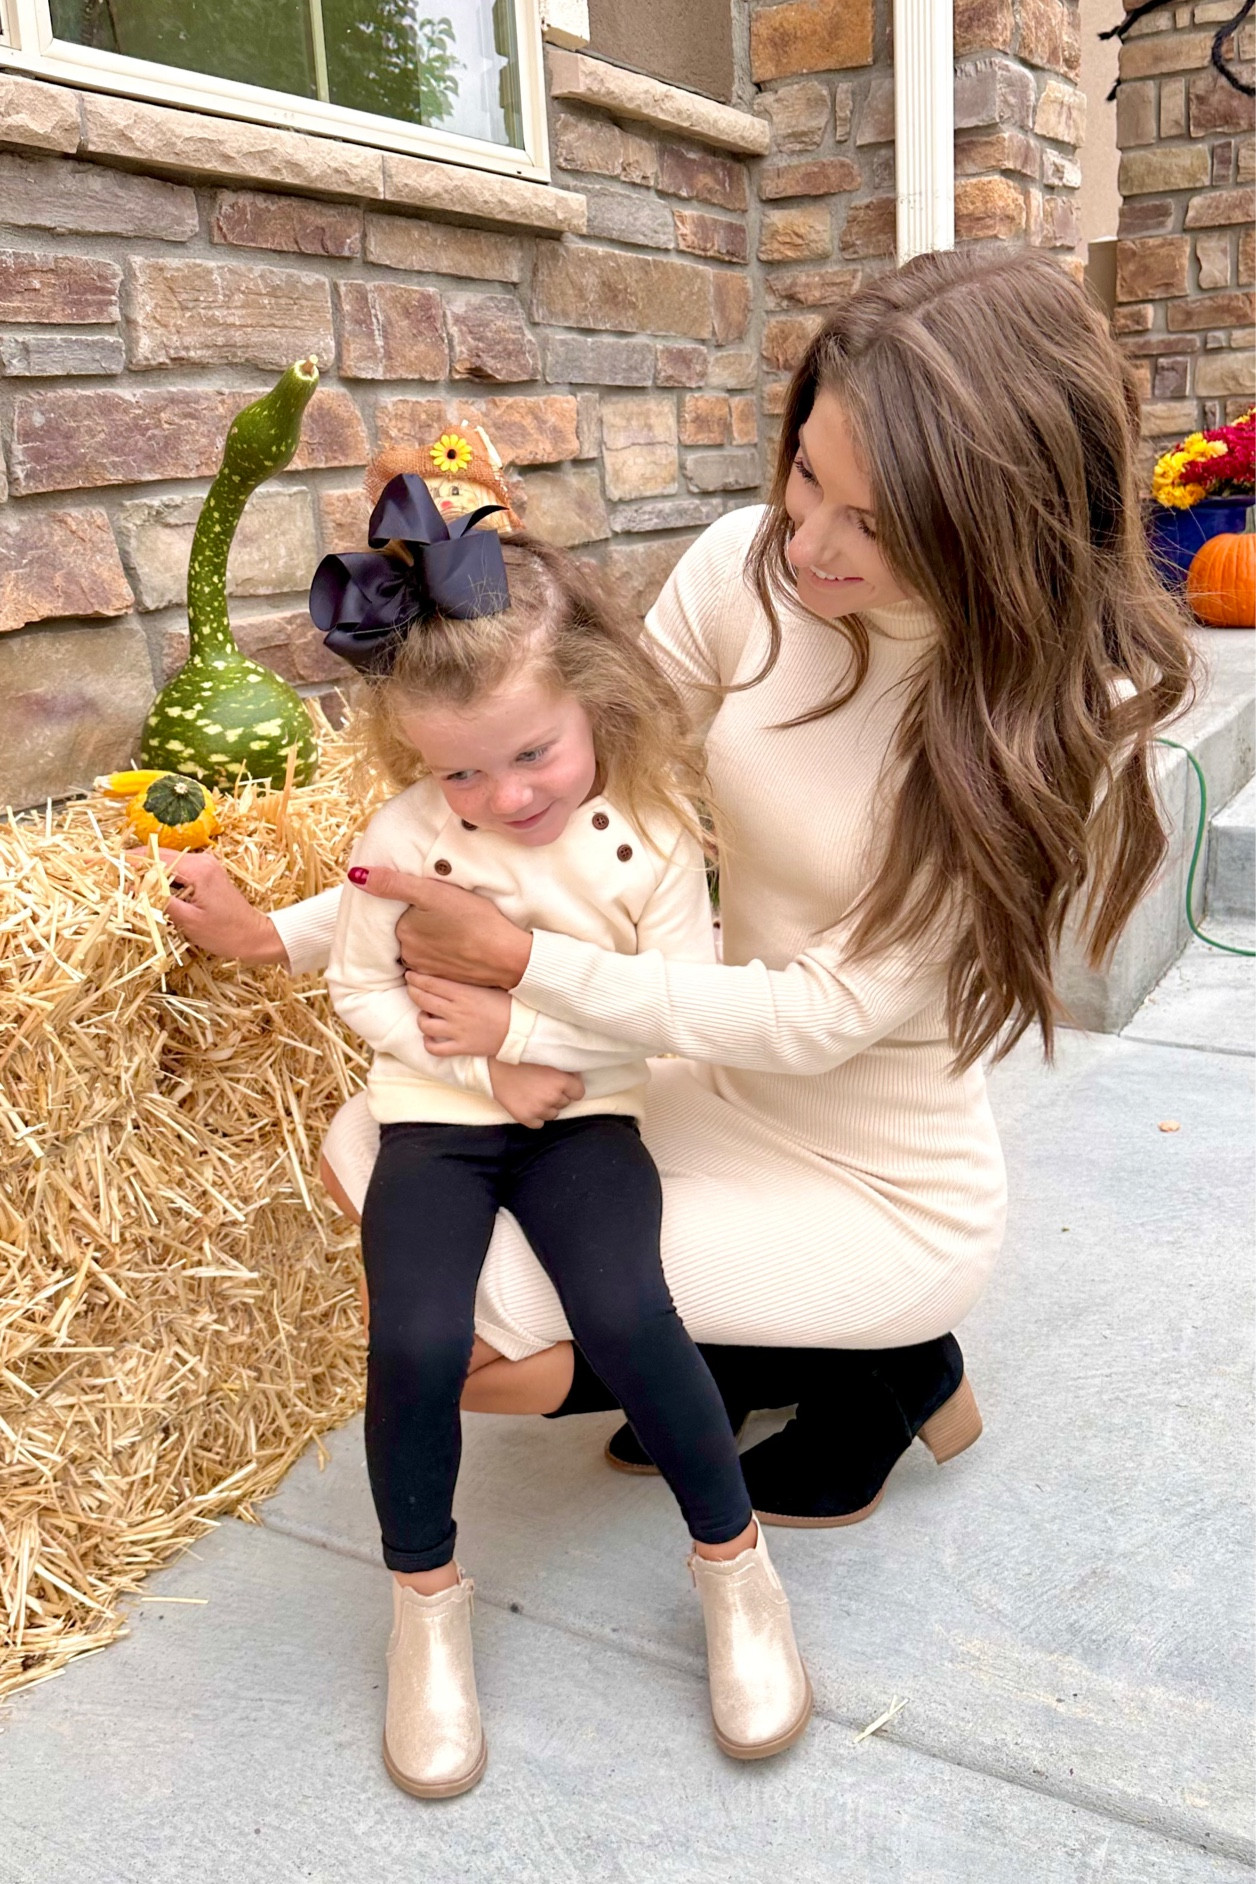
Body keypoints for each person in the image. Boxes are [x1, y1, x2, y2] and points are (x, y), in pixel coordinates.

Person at [155, 247, 1193, 1543]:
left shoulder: (1044, 718)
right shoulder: (740, 571)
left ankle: (887, 1354)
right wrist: (288, 935)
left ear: (987, 526)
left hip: (878, 1177)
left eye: (872, 524)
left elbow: (823, 1017)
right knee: (378, 1157)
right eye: (807, 472)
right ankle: (784, 1350)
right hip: (706, 1088)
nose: (807, 544)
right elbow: (542, 812)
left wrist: (531, 974)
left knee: (486, 1351)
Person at [305, 472, 810, 1797]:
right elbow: (359, 986)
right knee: (412, 1338)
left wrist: (531, 1053)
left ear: (593, 695)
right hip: (436, 1122)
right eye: (459, 768)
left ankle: (735, 1569)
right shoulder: (402, 838)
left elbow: (669, 1023)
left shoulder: (646, 841)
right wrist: (470, 1070)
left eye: (534, 753)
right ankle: (426, 1606)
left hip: (588, 1117)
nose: (506, 794)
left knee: (633, 1318)